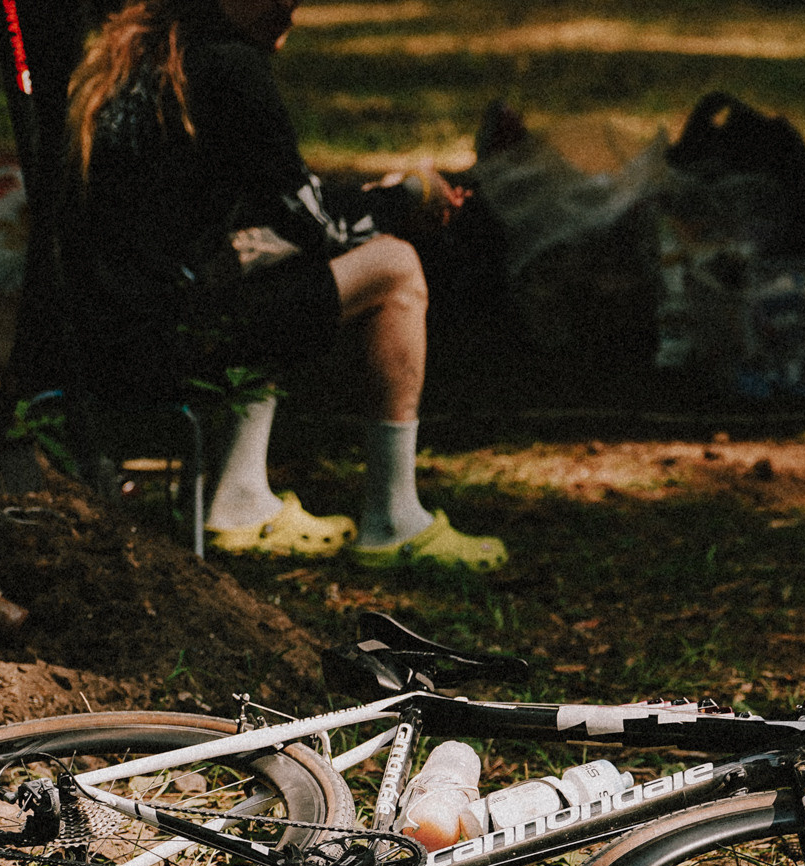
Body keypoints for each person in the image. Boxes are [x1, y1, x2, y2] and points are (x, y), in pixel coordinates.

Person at [61, 0, 504, 571]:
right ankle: (394, 520)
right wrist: (410, 196)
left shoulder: (141, 58)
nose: (290, 12)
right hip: (164, 346)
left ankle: (238, 499)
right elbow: (315, 226)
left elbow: (274, 210)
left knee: (267, 262)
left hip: (98, 335)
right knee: (394, 268)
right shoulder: (229, 65)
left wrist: (366, 199)